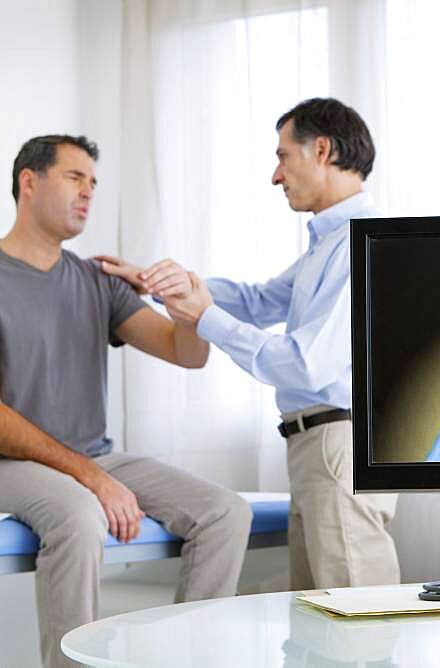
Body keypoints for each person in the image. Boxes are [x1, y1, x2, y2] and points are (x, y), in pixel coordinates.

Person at [0, 134, 252, 668]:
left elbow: (186, 353)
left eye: (94, 184)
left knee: (225, 513)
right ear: (28, 182)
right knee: (81, 516)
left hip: (92, 456)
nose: (88, 193)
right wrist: (94, 479)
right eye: (75, 178)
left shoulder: (97, 280)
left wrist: (186, 306)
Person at [99, 98, 400, 591]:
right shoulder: (331, 243)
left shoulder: (359, 243)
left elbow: (306, 366)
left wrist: (205, 318)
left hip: (336, 443)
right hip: (318, 446)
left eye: (284, 156)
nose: (276, 176)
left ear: (321, 150)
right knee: (324, 624)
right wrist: (164, 281)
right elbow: (260, 300)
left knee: (358, 625)